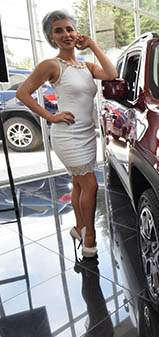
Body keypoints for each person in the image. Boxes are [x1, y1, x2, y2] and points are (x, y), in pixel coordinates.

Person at [16, 10, 118, 258]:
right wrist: (51, 116)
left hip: (86, 133)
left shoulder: (86, 65)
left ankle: (79, 227)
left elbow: (111, 74)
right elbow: (22, 93)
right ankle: (89, 237)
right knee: (90, 184)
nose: (66, 34)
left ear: (77, 32)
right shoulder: (51, 65)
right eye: (58, 31)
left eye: (69, 29)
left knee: (78, 184)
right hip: (67, 135)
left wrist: (92, 44)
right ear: (51, 38)